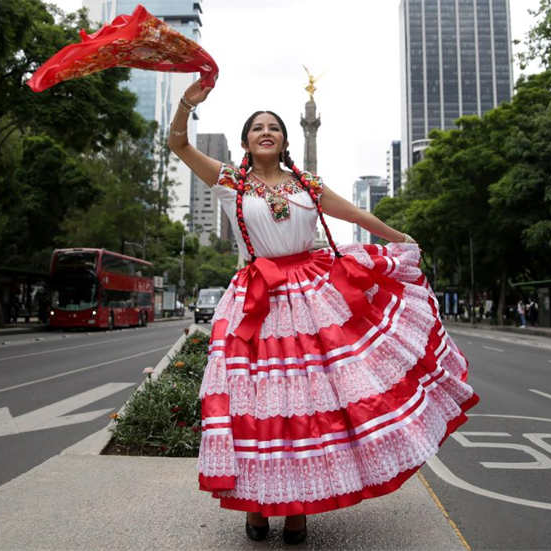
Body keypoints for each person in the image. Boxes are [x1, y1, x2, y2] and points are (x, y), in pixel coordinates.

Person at [168, 79, 477, 545]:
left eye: (274, 127)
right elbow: (177, 143)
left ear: (288, 140)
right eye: (257, 128)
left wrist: (401, 238)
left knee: (307, 406)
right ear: (246, 141)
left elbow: (355, 215)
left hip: (311, 299)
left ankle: (297, 510)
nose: (266, 132)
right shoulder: (230, 180)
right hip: (257, 301)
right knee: (256, 407)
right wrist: (187, 104)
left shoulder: (307, 185)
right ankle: (256, 504)